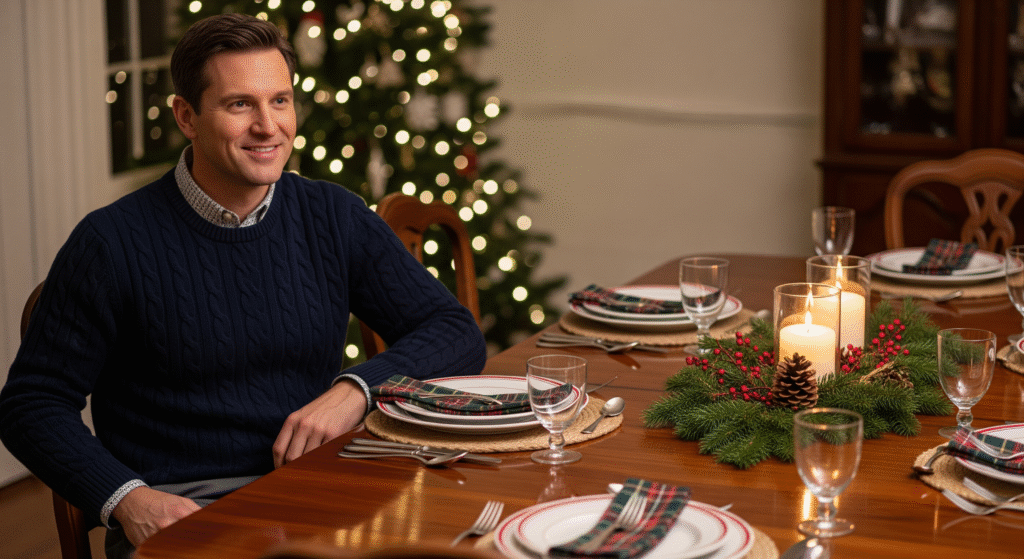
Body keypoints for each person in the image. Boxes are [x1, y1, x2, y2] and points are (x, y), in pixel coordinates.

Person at [0, 12, 486, 557]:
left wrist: (355, 390)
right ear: (187, 116)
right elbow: (31, 404)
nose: (268, 126)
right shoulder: (111, 243)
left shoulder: (332, 215)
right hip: (188, 510)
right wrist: (129, 501)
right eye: (240, 105)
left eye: (280, 100)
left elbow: (454, 330)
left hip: (321, 490)